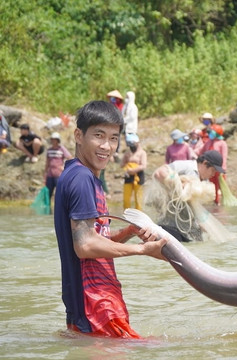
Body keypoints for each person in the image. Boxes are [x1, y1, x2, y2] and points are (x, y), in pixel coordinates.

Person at [54, 100, 166, 338]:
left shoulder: (79, 175)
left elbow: (96, 239)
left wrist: (128, 233)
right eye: (98, 135)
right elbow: (85, 246)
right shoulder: (82, 179)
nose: (106, 146)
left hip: (89, 306)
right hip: (95, 305)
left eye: (114, 138)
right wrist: (143, 250)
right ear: (78, 135)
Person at [151, 150, 226, 242]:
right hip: (170, 224)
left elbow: (197, 208)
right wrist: (179, 184)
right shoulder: (186, 166)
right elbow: (159, 173)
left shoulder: (204, 182)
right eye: (213, 170)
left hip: (189, 227)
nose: (213, 174)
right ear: (205, 163)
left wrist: (210, 228)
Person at [198, 124, 228, 205]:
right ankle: (215, 201)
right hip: (208, 168)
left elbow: (224, 157)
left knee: (220, 186)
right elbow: (201, 151)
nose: (210, 133)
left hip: (219, 169)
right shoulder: (208, 142)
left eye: (212, 132)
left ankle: (221, 202)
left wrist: (223, 169)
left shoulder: (222, 143)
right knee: (212, 186)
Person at [120, 133, 147, 210]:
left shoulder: (142, 153)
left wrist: (133, 170)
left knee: (138, 199)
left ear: (137, 143)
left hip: (138, 177)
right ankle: (127, 216)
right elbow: (121, 165)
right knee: (126, 199)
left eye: (133, 144)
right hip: (128, 177)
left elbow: (143, 165)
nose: (132, 147)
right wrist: (125, 159)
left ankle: (138, 217)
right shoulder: (127, 153)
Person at [44, 132, 73, 204]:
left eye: (55, 140)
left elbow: (70, 158)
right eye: (52, 140)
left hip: (59, 174)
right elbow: (47, 162)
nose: (53, 141)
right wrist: (45, 173)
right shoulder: (49, 150)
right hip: (50, 174)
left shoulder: (61, 149)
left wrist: (64, 167)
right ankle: (48, 208)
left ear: (57, 140)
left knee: (59, 192)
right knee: (48, 193)